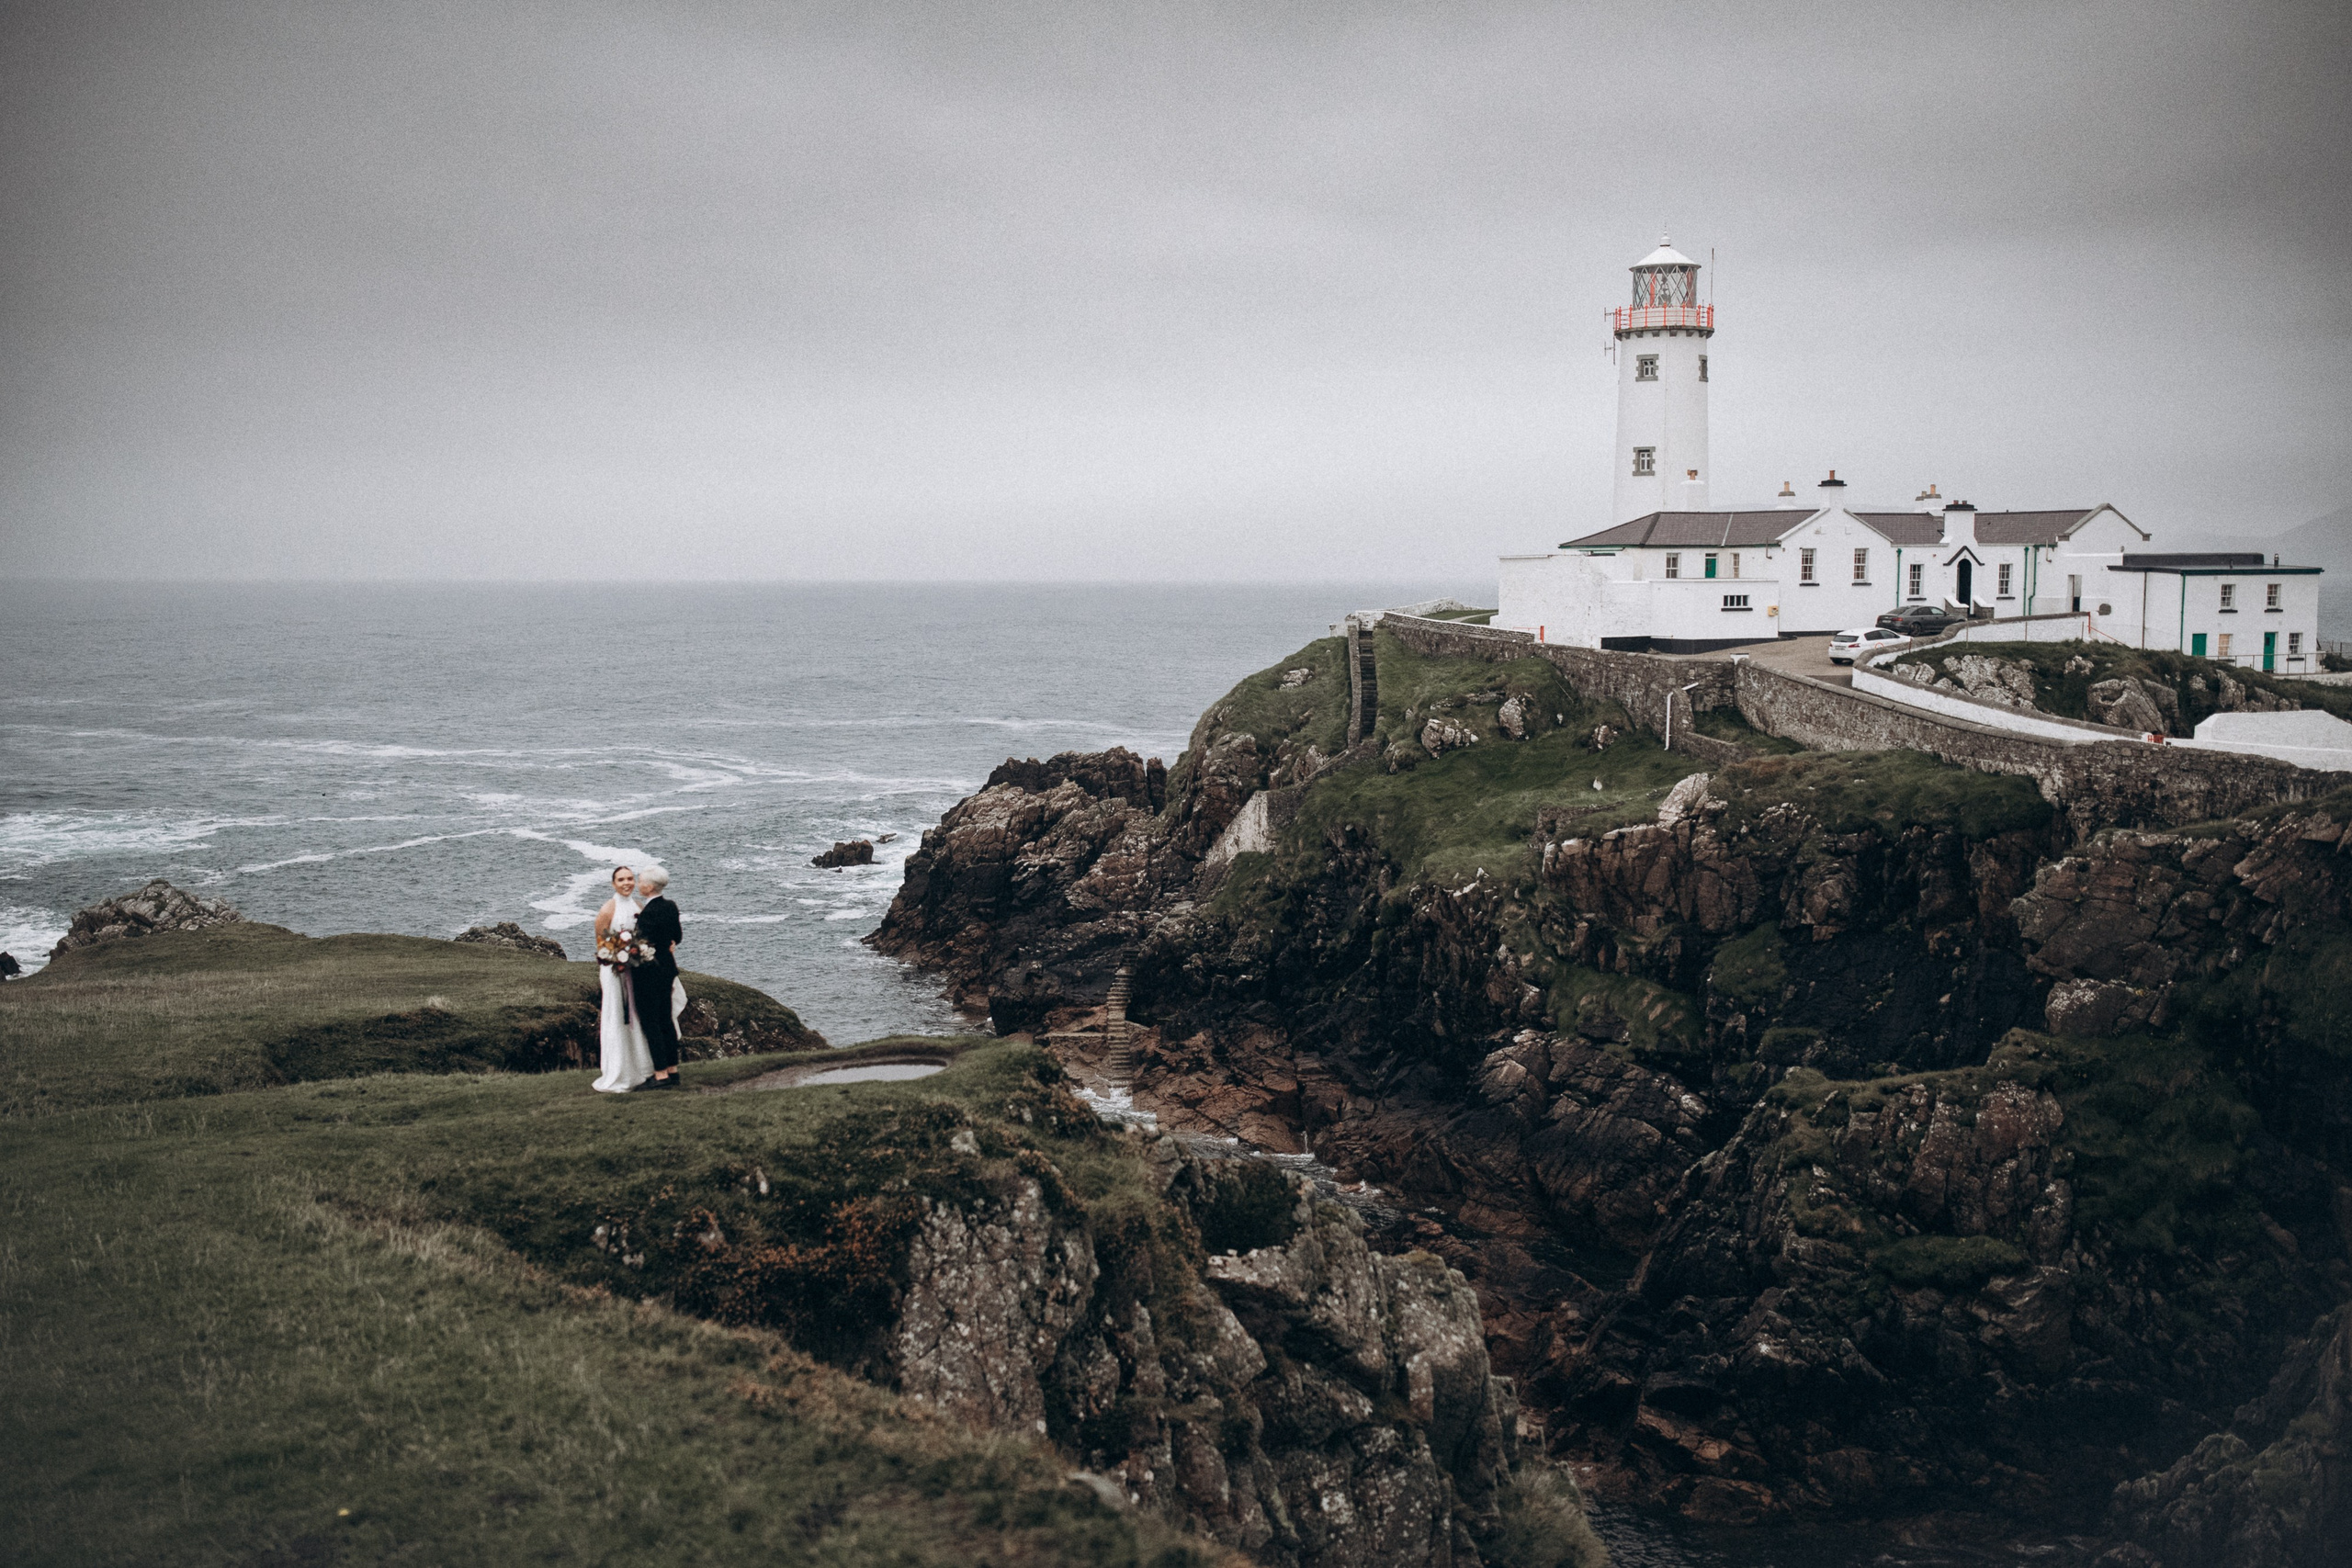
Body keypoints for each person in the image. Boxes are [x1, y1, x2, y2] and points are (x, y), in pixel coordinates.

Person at [591, 865, 655, 1093]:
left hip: (635, 969)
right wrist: (619, 957)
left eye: (630, 879)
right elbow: (601, 946)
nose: (626, 883)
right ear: (613, 884)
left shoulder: (638, 906)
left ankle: (641, 1069)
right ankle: (619, 1071)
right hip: (614, 971)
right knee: (618, 1014)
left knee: (637, 1016)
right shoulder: (607, 910)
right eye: (621, 879)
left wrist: (637, 953)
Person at [632, 863, 685, 1089]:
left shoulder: (649, 912)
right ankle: (673, 1070)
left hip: (649, 972)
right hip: (667, 969)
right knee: (666, 1019)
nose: (638, 884)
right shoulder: (670, 906)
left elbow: (639, 942)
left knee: (651, 1021)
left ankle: (660, 1073)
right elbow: (677, 936)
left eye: (641, 881)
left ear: (650, 886)